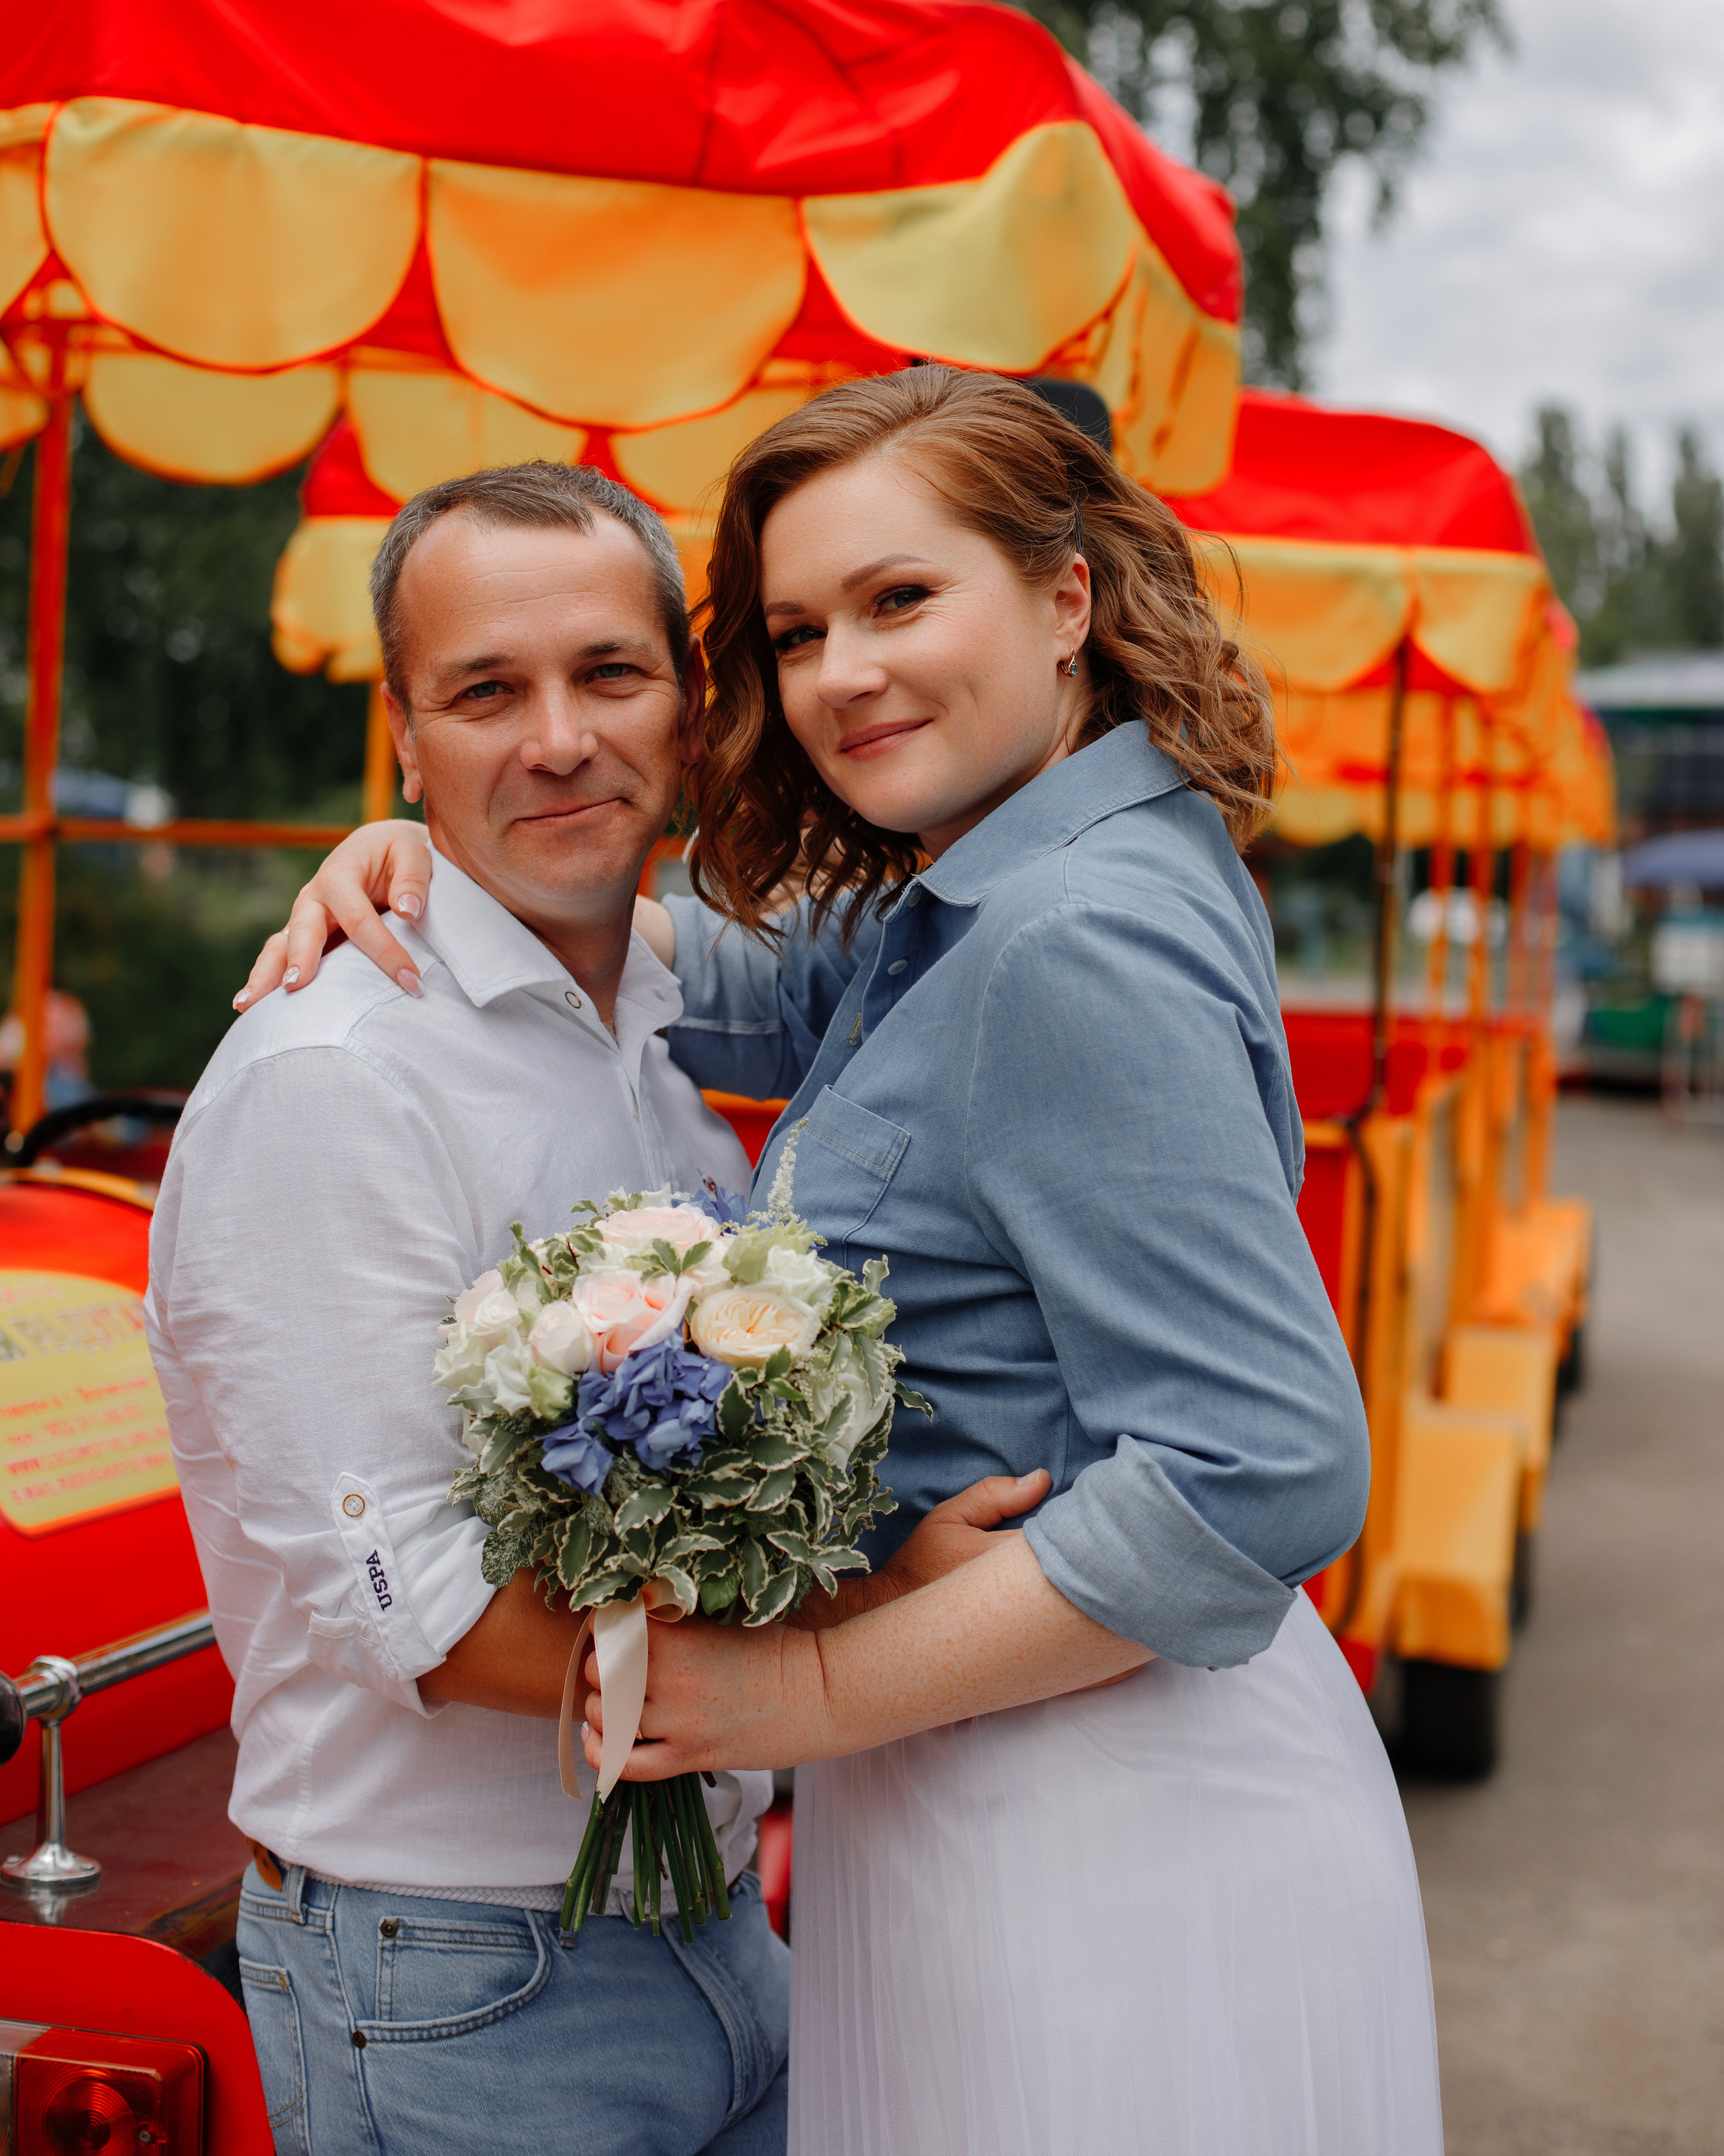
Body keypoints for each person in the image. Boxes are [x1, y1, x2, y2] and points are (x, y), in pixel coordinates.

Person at [241, 370, 1445, 2154]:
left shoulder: (1065, 933)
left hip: (1095, 1810)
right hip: (1012, 1760)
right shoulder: (1003, 881)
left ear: (1065, 594)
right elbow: (738, 973)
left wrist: (803, 1684)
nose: (843, 675)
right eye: (799, 631)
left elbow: (1265, 1463)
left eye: (900, 599)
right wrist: (441, 853)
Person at [150, 464, 793, 2156]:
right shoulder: (334, 1072)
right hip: (463, 1973)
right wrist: (862, 1653)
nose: (558, 738)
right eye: (485, 692)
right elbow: (412, 1606)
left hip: (716, 1914)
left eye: (607, 674)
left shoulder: (670, 1009)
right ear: (405, 736)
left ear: (691, 696)